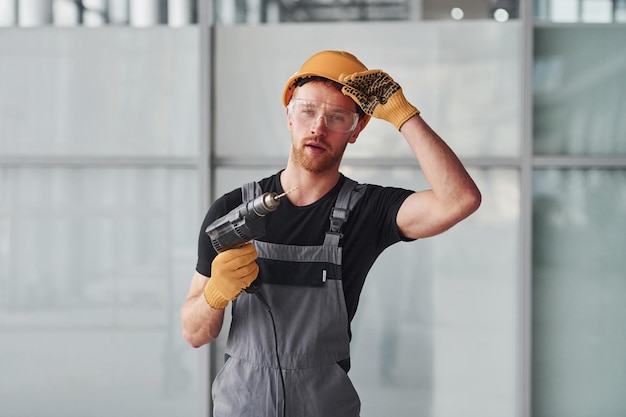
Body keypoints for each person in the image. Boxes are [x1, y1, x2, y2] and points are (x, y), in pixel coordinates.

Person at [181, 50, 481, 417]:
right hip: (241, 406)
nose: (318, 128)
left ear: (355, 131)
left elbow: (460, 200)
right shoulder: (232, 211)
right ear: (289, 117)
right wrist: (214, 295)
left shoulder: (367, 211)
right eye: (307, 111)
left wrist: (404, 116)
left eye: (337, 117)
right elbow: (195, 334)